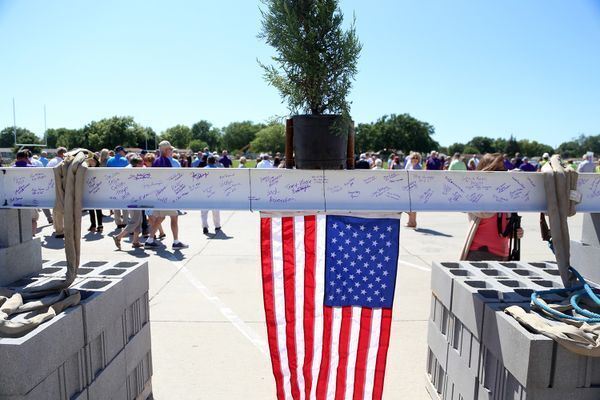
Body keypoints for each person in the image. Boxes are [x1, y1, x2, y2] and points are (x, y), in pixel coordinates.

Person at [460, 154, 524, 261]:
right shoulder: (475, 193)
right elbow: (486, 213)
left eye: (503, 170)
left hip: (503, 253)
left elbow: (505, 229)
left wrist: (515, 232)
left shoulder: (504, 195)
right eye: (497, 170)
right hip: (480, 252)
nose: (501, 173)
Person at [145, 141, 188, 249]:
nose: (172, 151)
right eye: (170, 149)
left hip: (159, 196)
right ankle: (176, 242)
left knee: (160, 217)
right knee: (174, 217)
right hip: (168, 196)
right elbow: (170, 179)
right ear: (165, 150)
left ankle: (150, 240)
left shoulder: (156, 161)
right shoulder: (167, 162)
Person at [113, 157, 145, 250]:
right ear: (136, 164)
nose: (142, 166)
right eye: (141, 164)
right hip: (132, 200)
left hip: (136, 198)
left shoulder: (131, 170)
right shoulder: (131, 172)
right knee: (135, 220)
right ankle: (118, 237)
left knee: (138, 221)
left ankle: (135, 241)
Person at [13, 151, 39, 235]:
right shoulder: (33, 168)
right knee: (33, 219)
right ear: (26, 158)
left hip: (14, 199)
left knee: (17, 219)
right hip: (30, 198)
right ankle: (32, 235)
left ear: (17, 158)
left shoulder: (9, 169)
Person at [106, 146, 129, 228]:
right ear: (120, 151)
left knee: (116, 203)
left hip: (113, 184)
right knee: (125, 203)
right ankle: (125, 221)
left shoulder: (109, 160)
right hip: (123, 183)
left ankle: (118, 222)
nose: (124, 152)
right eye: (123, 151)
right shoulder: (125, 160)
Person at [201, 156, 222, 234]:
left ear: (207, 161)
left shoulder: (203, 170)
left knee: (204, 212)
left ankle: (205, 226)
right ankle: (217, 226)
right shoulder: (218, 170)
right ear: (215, 161)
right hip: (215, 192)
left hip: (205, 192)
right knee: (216, 211)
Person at [86, 155, 104, 233]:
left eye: (92, 161)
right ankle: (93, 225)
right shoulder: (87, 169)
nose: (91, 162)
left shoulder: (99, 169)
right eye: (90, 161)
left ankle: (100, 225)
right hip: (89, 191)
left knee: (98, 209)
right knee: (91, 210)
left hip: (98, 191)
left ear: (96, 161)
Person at [404, 152, 422, 228]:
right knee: (411, 206)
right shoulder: (411, 166)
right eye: (413, 158)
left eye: (416, 158)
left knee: (412, 206)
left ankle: (412, 222)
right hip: (410, 187)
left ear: (418, 159)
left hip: (415, 188)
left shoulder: (418, 167)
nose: (414, 159)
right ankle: (411, 221)